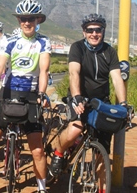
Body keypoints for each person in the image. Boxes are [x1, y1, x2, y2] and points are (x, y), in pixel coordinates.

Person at [0, 0, 51, 193]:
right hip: (7, 93)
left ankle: (42, 189)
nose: (27, 22)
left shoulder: (43, 42)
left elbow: (44, 70)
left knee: (38, 150)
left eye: (31, 19)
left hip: (31, 96)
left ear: (38, 20)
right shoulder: (11, 41)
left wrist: (41, 94)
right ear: (18, 21)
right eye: (23, 19)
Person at [50, 13, 127, 176]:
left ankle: (99, 186)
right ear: (84, 32)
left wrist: (123, 103)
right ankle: (58, 153)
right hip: (79, 98)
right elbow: (74, 72)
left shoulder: (110, 52)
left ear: (103, 31)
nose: (94, 34)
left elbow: (117, 78)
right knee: (75, 129)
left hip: (101, 102)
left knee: (103, 149)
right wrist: (77, 97)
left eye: (98, 30)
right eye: (89, 30)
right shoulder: (77, 48)